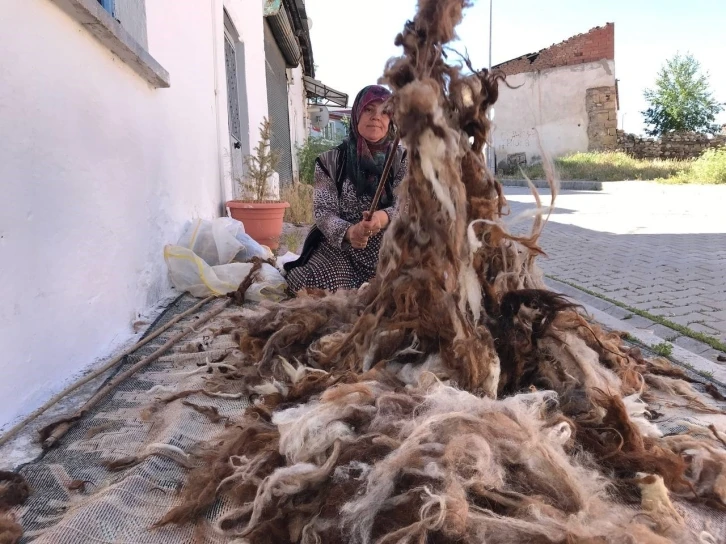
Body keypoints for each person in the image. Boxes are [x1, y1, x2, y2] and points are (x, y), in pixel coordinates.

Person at [284, 85, 408, 292]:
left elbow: (409, 205)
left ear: (391, 119)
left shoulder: (403, 159)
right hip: (343, 249)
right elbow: (324, 212)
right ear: (357, 113)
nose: (376, 117)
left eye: (384, 111)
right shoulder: (330, 160)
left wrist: (381, 218)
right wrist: (352, 232)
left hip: (392, 248)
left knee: (416, 287)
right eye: (369, 109)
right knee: (315, 287)